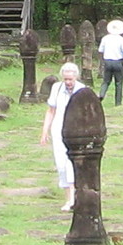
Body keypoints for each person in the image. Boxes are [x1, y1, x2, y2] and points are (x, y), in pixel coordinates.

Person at [39, 61, 89, 211]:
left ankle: (75, 198)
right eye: (65, 79)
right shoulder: (56, 88)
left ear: (76, 78)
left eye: (70, 79)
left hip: (76, 131)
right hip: (58, 129)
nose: (68, 82)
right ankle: (68, 198)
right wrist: (44, 131)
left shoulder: (83, 90)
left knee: (71, 164)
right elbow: (51, 111)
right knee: (61, 165)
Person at [97, 19, 123, 105]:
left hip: (107, 61)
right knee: (119, 82)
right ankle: (118, 102)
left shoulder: (105, 38)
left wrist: (103, 60)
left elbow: (100, 50)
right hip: (118, 61)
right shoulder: (121, 39)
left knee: (106, 81)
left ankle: (101, 94)